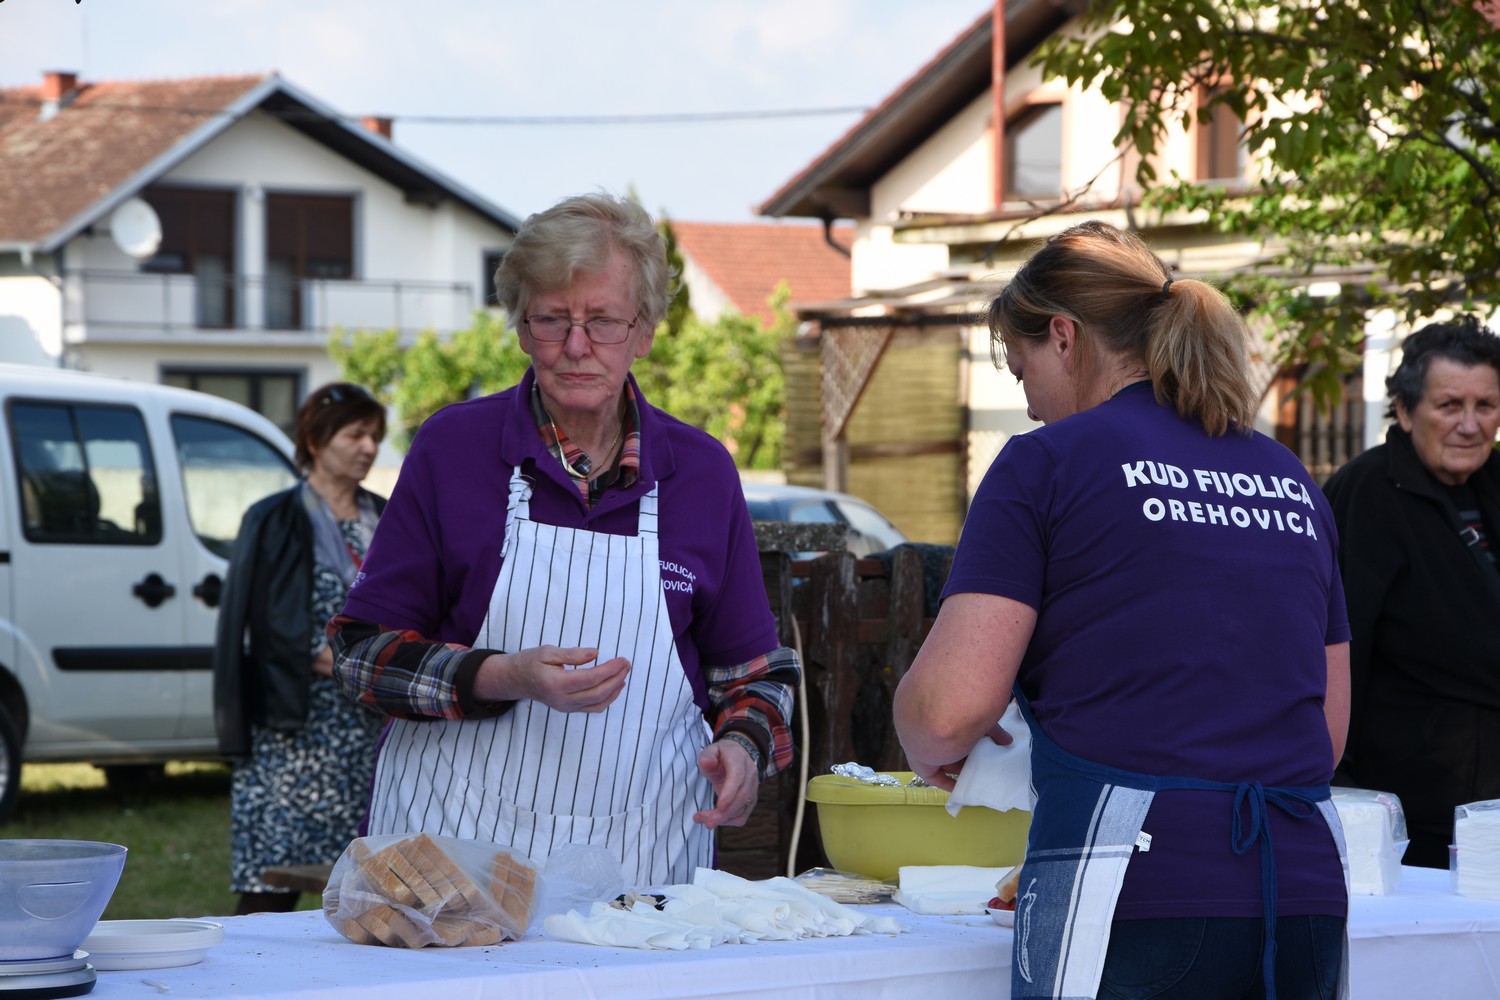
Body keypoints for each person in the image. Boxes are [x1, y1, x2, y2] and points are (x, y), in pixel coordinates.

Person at [893, 221, 1350, 1000]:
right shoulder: (1286, 475)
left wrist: (923, 740)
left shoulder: (1046, 463)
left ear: (1064, 337)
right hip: (1301, 882)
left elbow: (947, 712)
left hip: (1129, 884)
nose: (1029, 401)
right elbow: (1327, 729)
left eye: (1021, 365)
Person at [329, 192, 800, 889]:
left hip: (638, 862)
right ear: (521, 329)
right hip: (451, 855)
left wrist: (742, 743)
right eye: (553, 320)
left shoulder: (700, 474)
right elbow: (359, 655)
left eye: (604, 321)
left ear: (644, 332)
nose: (577, 346)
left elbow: (756, 676)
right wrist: (502, 676)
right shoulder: (453, 450)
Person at [1322, 316, 1500, 870]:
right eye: (1449, 405)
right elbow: (1335, 641)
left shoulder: (1494, 480)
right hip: (1414, 806)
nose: (1470, 425)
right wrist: (1338, 777)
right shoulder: (1368, 492)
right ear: (1404, 409)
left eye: (1486, 405)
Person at [214, 382, 388, 914]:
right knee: (272, 886)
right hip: (295, 726)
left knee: (367, 887)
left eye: (375, 437)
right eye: (355, 434)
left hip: (370, 727)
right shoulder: (272, 519)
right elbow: (265, 626)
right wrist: (363, 671)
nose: (369, 448)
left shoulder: (385, 516)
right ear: (315, 440)